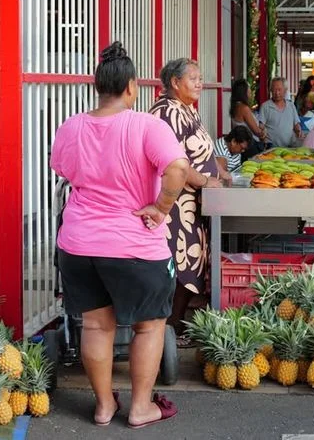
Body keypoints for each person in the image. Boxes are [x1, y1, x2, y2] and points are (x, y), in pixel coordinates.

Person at [50, 42, 186, 428]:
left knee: (95, 326)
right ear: (130, 87)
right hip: (135, 244)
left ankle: (104, 404)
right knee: (148, 325)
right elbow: (176, 168)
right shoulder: (146, 125)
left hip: (78, 244)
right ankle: (141, 407)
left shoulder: (71, 126)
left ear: (99, 86)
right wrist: (161, 207)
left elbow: (64, 170)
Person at [149, 58, 224, 347]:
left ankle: (174, 327)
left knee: (190, 261)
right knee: (181, 263)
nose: (199, 82)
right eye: (192, 78)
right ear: (174, 83)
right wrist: (206, 181)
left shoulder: (186, 110)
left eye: (200, 77)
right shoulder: (167, 111)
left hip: (192, 202)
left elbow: (200, 153)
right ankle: (168, 331)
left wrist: (219, 173)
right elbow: (174, 162)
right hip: (176, 203)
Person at [229, 79, 267, 158]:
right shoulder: (244, 108)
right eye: (248, 88)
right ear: (243, 91)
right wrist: (263, 132)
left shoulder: (235, 106)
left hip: (242, 143)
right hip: (250, 145)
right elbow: (256, 131)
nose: (250, 91)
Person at [260, 77, 302, 148]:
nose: (277, 93)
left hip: (290, 147)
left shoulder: (291, 105)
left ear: (285, 90)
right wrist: (262, 134)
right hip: (271, 148)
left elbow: (296, 124)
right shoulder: (265, 106)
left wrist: (298, 130)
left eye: (279, 90)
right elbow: (261, 126)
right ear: (270, 90)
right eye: (274, 90)